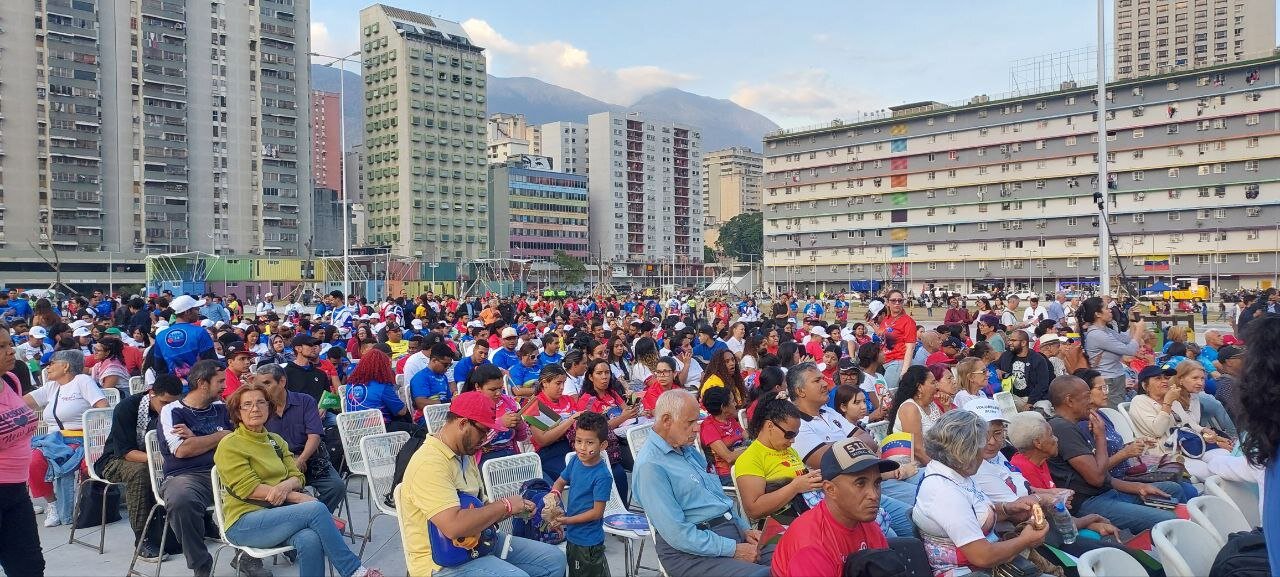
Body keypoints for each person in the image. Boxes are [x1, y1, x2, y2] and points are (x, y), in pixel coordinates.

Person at [214, 383, 382, 577]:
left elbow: (298, 476)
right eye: (247, 404)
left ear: (269, 407)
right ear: (237, 412)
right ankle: (354, 571)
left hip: (278, 515)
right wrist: (299, 497)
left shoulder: (275, 440)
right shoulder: (231, 445)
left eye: (261, 402)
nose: (255, 408)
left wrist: (286, 486)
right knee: (315, 509)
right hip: (244, 522)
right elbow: (249, 489)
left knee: (309, 538)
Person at [399, 390, 566, 577]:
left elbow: (480, 509)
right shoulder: (429, 463)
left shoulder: (465, 453)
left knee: (554, 560)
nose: (485, 438)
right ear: (463, 423)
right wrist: (506, 506)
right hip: (441, 562)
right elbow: (453, 527)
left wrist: (517, 509)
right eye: (483, 431)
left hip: (480, 542)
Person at [634, 389, 771, 577]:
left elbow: (718, 499)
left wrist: (744, 529)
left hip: (725, 533)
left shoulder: (685, 449)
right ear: (666, 421)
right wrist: (732, 549)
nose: (697, 428)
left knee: (794, 555)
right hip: (690, 552)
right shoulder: (650, 466)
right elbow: (678, 534)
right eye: (690, 422)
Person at [913, 410, 1051, 577]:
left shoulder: (956, 473)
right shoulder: (944, 491)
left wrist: (1007, 508)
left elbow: (973, 514)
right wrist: (1025, 540)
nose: (984, 452)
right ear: (965, 452)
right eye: (981, 446)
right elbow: (982, 556)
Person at [1045, 375, 1185, 534]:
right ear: (1069, 401)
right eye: (1087, 396)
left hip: (1107, 492)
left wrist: (1139, 487)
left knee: (1173, 489)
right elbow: (1097, 478)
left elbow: (1105, 477)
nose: (1090, 401)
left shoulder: (1073, 425)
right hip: (1089, 502)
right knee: (1168, 520)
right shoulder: (1062, 428)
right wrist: (1100, 436)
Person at [157, 359, 256, 577]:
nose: (224, 386)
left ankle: (248, 556)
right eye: (220, 381)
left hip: (227, 471)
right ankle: (200, 564)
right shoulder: (172, 411)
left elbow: (242, 441)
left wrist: (197, 438)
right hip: (188, 476)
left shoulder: (223, 408)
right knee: (181, 499)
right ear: (202, 383)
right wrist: (221, 436)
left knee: (260, 486)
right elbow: (182, 450)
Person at [771, 435, 898, 577]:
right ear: (830, 489)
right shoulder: (811, 545)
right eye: (860, 483)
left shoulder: (865, 522)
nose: (874, 495)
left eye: (877, 483)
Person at [96, 374, 184, 560]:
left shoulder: (177, 410)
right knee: (141, 473)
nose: (167, 408)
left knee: (191, 467)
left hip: (159, 458)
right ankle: (142, 538)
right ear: (151, 393)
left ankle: (199, 525)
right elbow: (126, 452)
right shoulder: (127, 408)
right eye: (164, 403)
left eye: (172, 404)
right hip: (116, 460)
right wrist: (160, 460)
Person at [25, 349, 109, 527]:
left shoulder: (82, 381)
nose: (47, 368)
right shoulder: (51, 387)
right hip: (52, 440)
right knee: (33, 461)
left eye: (52, 363)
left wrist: (95, 436)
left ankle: (76, 507)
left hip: (79, 439)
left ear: (66, 366)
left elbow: (104, 408)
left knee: (63, 459)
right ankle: (52, 504)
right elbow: (20, 403)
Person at [1127, 362, 1231, 481]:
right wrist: (1167, 403)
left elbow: (1187, 423)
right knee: (1208, 472)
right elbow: (1157, 431)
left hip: (1186, 447)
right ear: (1145, 385)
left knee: (1223, 457)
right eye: (1158, 378)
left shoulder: (1172, 400)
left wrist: (1206, 431)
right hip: (1164, 454)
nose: (1164, 381)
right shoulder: (1140, 401)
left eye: (1166, 378)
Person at [734, 396, 823, 526]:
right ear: (770, 425)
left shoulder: (789, 451)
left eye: (795, 435)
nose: (792, 441)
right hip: (782, 524)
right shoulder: (750, 458)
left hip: (807, 515)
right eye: (789, 434)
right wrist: (795, 487)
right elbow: (753, 510)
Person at [0, 325, 45, 576]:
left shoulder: (11, 379)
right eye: (1, 347)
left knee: (29, 566)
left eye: (10, 344)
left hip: (17, 489)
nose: (11, 351)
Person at [546, 411, 613, 577]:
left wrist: (566, 521)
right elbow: (560, 481)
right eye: (578, 441)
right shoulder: (575, 460)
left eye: (589, 443)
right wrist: (554, 494)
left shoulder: (602, 475)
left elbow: (597, 513)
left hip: (588, 542)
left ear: (603, 445)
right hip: (574, 536)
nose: (582, 448)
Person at [1078, 297, 1144, 408]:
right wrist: (1140, 330)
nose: (1110, 311)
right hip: (1108, 381)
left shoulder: (1105, 330)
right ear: (1098, 314)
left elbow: (1127, 339)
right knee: (1113, 412)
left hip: (1115, 378)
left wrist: (1132, 321)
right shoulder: (1097, 335)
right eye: (1106, 308)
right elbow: (1130, 350)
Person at [458, 364, 529, 465]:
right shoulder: (470, 406)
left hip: (510, 455)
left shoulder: (508, 402)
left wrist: (520, 425)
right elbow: (470, 444)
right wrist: (500, 424)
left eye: (501, 388)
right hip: (485, 459)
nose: (498, 393)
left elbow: (522, 438)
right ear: (478, 387)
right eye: (493, 389)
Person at [523, 364, 582, 483]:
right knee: (579, 474)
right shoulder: (534, 404)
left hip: (573, 446)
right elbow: (542, 440)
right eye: (558, 383)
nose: (562, 387)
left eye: (564, 383)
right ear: (545, 383)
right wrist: (570, 421)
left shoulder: (568, 399)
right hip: (549, 452)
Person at [150, 294, 217, 379]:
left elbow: (159, 367)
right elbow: (212, 363)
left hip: (173, 384)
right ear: (187, 312)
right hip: (199, 384)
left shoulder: (161, 336)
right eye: (196, 309)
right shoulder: (199, 332)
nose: (198, 312)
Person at [344, 348, 411, 430]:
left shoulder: (350, 384)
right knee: (418, 431)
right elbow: (401, 411)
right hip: (379, 429)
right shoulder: (382, 386)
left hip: (354, 429)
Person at [887, 365, 940, 465]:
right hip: (910, 467)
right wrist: (939, 469)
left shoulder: (932, 405)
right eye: (933, 382)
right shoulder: (910, 408)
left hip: (931, 460)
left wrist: (947, 407)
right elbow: (917, 451)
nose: (937, 386)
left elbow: (947, 434)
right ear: (920, 387)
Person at [699, 386, 745, 486]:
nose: (736, 404)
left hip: (742, 467)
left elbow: (747, 437)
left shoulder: (730, 419)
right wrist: (751, 449)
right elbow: (729, 457)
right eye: (732, 401)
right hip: (725, 475)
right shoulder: (708, 427)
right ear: (723, 407)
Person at [875, 290, 917, 392]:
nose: (897, 303)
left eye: (900, 300)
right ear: (887, 302)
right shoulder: (886, 319)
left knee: (887, 393)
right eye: (893, 300)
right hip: (884, 361)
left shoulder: (908, 321)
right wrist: (872, 324)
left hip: (897, 362)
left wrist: (904, 372)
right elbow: (882, 336)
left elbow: (910, 348)